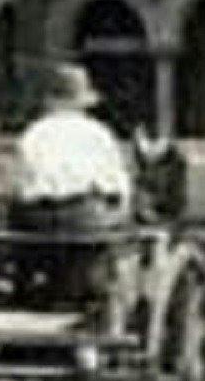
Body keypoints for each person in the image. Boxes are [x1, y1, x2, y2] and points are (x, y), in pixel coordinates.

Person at [11, 62, 134, 307]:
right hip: (82, 219)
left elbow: (21, 185)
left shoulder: (33, 134)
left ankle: (38, 287)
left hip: (36, 221)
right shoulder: (97, 134)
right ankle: (106, 291)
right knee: (116, 222)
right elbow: (116, 186)